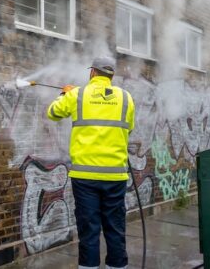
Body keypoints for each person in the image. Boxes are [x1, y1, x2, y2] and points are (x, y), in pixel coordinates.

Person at [46, 56, 135, 269]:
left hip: (84, 178)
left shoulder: (77, 94)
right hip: (115, 177)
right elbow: (128, 128)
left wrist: (64, 94)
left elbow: (53, 113)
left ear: (92, 72)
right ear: (111, 75)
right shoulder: (126, 98)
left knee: (89, 231)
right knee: (115, 229)